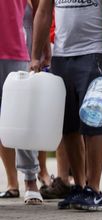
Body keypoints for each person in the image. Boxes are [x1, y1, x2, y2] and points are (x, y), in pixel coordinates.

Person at [32, 0, 102, 211]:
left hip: (94, 52)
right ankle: (79, 186)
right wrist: (36, 54)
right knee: (68, 126)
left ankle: (93, 190)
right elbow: (44, 11)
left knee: (94, 122)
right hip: (62, 55)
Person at [0, 0, 46, 205]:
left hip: (16, 51)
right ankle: (13, 182)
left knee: (22, 119)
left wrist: (43, 48)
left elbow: (40, 9)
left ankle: (30, 181)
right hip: (15, 53)